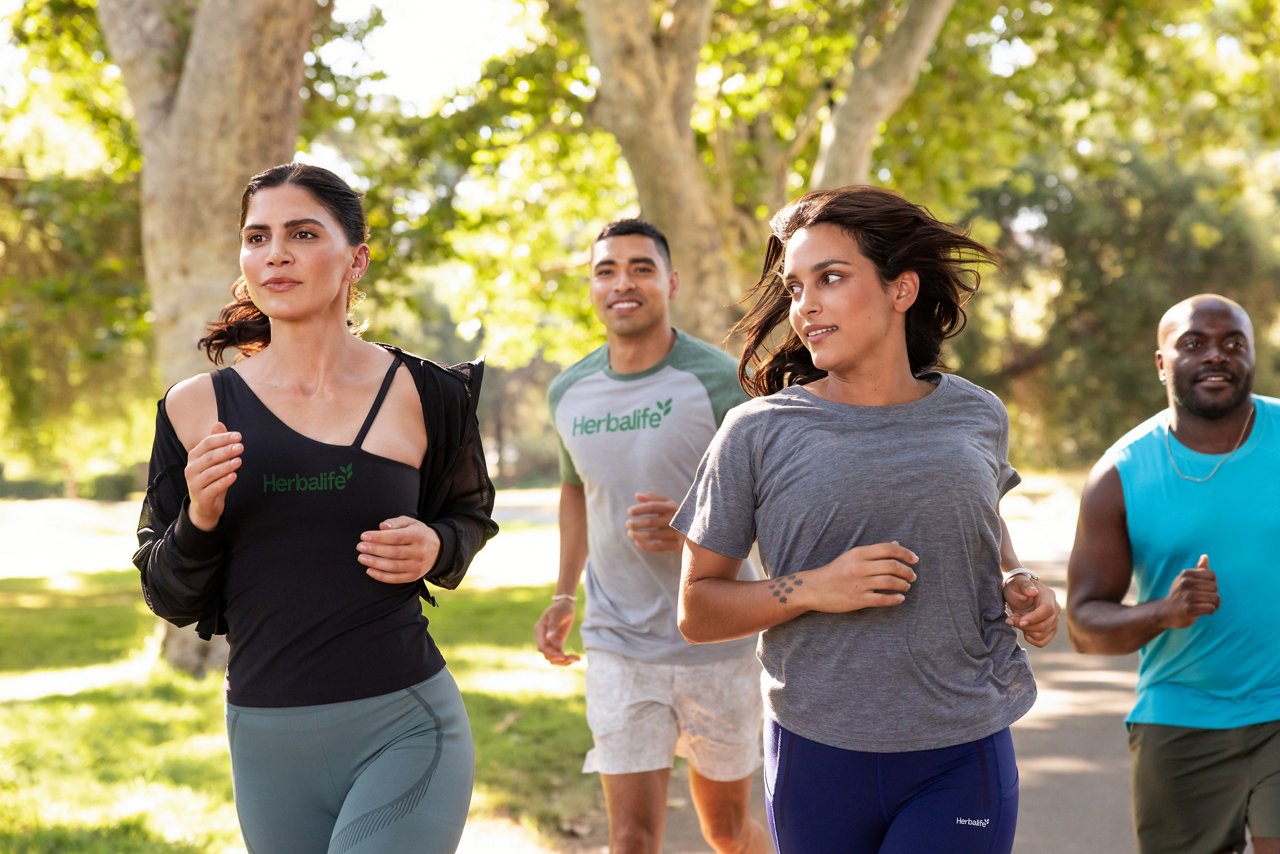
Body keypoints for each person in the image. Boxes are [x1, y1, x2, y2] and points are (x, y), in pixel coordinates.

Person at [670, 186, 1060, 854]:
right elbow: (697, 609)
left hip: (961, 745)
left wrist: (1015, 578)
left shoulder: (977, 413)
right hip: (818, 751)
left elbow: (979, 519)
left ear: (900, 289)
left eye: (831, 278)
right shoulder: (756, 432)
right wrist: (813, 588)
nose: (806, 306)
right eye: (795, 287)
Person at [133, 162, 497, 854]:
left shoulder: (426, 394)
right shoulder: (194, 407)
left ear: (354, 259)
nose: (276, 252)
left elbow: (468, 515)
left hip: (405, 721)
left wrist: (437, 546)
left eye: (302, 233)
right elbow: (166, 591)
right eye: (257, 236)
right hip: (265, 737)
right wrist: (200, 516)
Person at [533, 218, 769, 854]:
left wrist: (695, 529)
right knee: (632, 840)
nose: (623, 283)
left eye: (640, 267)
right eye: (606, 270)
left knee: (725, 832)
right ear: (591, 287)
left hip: (717, 642)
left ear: (671, 281)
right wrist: (562, 594)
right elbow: (577, 492)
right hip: (618, 643)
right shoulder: (568, 393)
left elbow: (770, 503)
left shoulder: (725, 382)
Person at [1066, 294, 1280, 854]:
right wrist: (1165, 610)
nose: (1216, 355)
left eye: (1233, 343)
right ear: (1161, 363)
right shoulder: (1121, 472)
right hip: (1179, 717)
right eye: (1194, 344)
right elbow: (1084, 628)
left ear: (1253, 356)